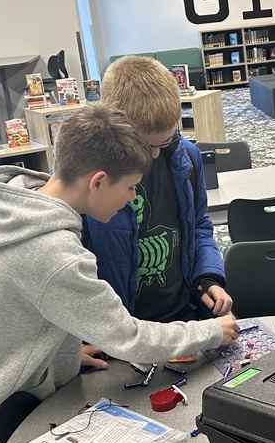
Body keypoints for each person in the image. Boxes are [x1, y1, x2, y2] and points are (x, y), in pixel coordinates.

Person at [0, 104, 238, 443]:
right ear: (98, 181)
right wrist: (212, 331)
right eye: (131, 187)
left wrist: (63, 352)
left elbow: (30, 306)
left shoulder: (28, 206)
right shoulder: (52, 253)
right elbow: (130, 337)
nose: (133, 198)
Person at [83, 55, 231, 323]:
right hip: (120, 328)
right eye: (143, 146)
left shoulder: (187, 158)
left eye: (163, 143)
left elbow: (198, 226)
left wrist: (207, 278)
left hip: (181, 317)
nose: (153, 156)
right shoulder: (84, 177)